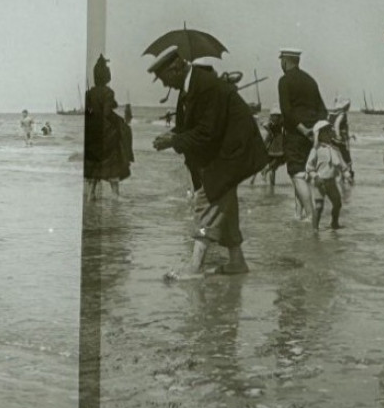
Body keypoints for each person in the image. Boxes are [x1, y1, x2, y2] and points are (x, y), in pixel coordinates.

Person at [149, 46, 270, 280]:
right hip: (224, 148)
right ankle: (237, 262)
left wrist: (174, 139)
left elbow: (207, 132)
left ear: (176, 68)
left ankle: (195, 266)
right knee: (225, 204)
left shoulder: (205, 85)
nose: (164, 85)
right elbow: (190, 128)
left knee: (208, 199)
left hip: (235, 150)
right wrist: (172, 137)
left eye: (164, 79)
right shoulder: (190, 88)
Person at [276, 47, 329, 222]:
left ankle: (310, 215)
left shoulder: (284, 81)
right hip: (313, 135)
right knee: (305, 173)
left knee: (296, 173)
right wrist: (314, 130)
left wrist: (302, 129)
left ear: (284, 61)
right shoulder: (311, 80)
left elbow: (287, 111)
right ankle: (299, 214)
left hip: (295, 134)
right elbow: (323, 110)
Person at [84, 55, 132, 200]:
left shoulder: (89, 93)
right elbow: (107, 113)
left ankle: (91, 193)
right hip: (106, 133)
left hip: (92, 132)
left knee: (94, 162)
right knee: (113, 160)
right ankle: (115, 195)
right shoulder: (108, 92)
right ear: (107, 77)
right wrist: (119, 122)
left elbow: (89, 113)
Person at [306, 120, 347, 231]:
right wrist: (315, 176)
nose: (330, 134)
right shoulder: (316, 150)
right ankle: (315, 229)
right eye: (326, 132)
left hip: (332, 182)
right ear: (318, 135)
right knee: (319, 206)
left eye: (330, 131)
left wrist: (346, 173)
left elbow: (341, 164)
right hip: (319, 182)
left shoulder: (335, 149)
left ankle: (334, 223)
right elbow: (309, 168)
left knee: (337, 203)